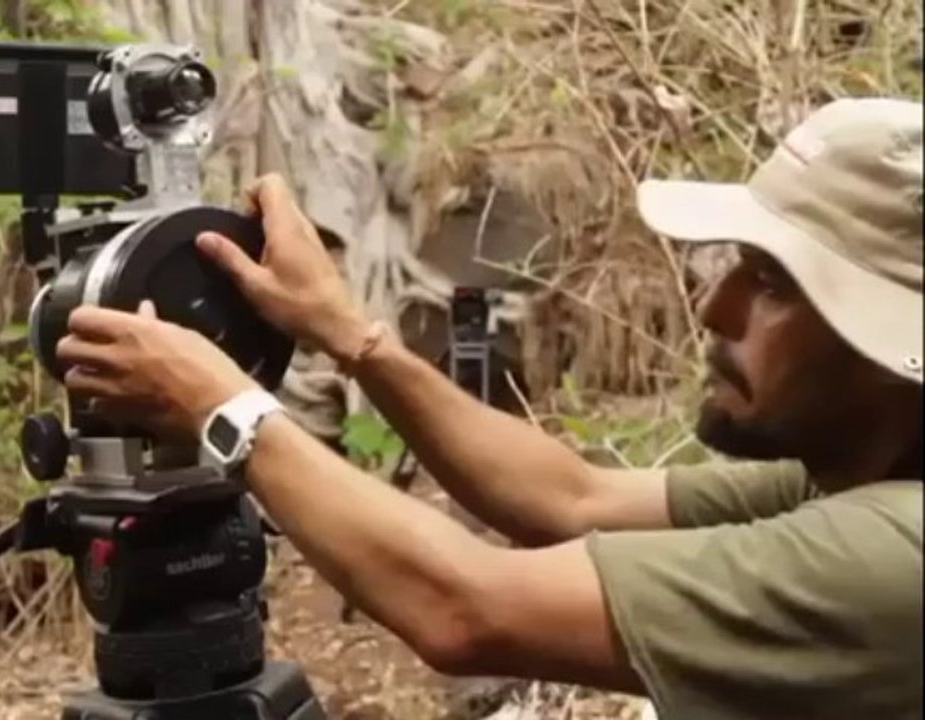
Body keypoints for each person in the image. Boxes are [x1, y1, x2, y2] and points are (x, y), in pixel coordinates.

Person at [55, 97, 923, 718]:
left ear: (891, 350)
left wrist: (220, 404)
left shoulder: (895, 558)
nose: (713, 309)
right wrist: (346, 332)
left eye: (771, 284)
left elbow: (467, 610)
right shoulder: (852, 472)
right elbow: (565, 498)